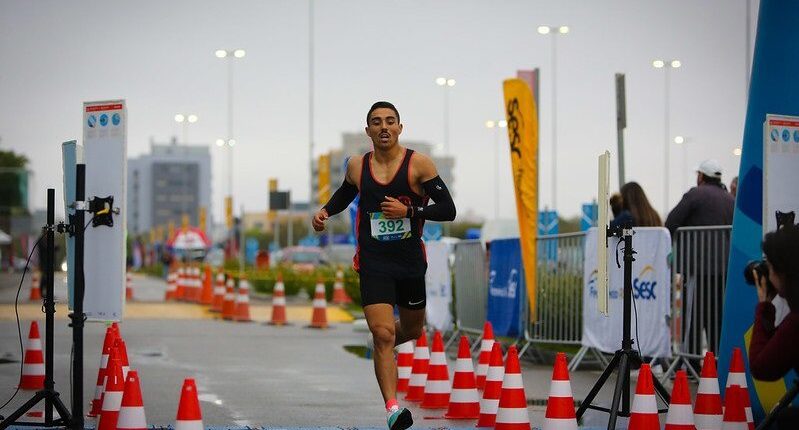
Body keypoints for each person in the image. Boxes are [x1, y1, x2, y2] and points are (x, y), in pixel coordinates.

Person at [312, 101, 456, 430]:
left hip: (408, 263)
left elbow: (448, 210)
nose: (384, 127)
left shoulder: (419, 164)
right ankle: (393, 409)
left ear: (400, 128)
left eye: (390, 121)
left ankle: (382, 350)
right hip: (374, 261)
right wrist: (324, 212)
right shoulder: (357, 166)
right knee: (383, 333)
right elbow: (345, 194)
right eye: (376, 122)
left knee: (413, 330)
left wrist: (410, 213)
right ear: (368, 131)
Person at [666, 159, 734, 357]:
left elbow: (672, 221)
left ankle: (689, 361)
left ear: (702, 176)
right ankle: (715, 362)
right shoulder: (730, 199)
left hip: (697, 268)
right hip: (723, 271)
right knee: (716, 318)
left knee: (692, 317)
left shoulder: (695, 194)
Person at [750, 225, 799, 427]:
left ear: (784, 273)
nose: (768, 276)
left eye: (769, 268)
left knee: (787, 420)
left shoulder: (796, 323)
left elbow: (762, 367)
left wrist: (764, 306)